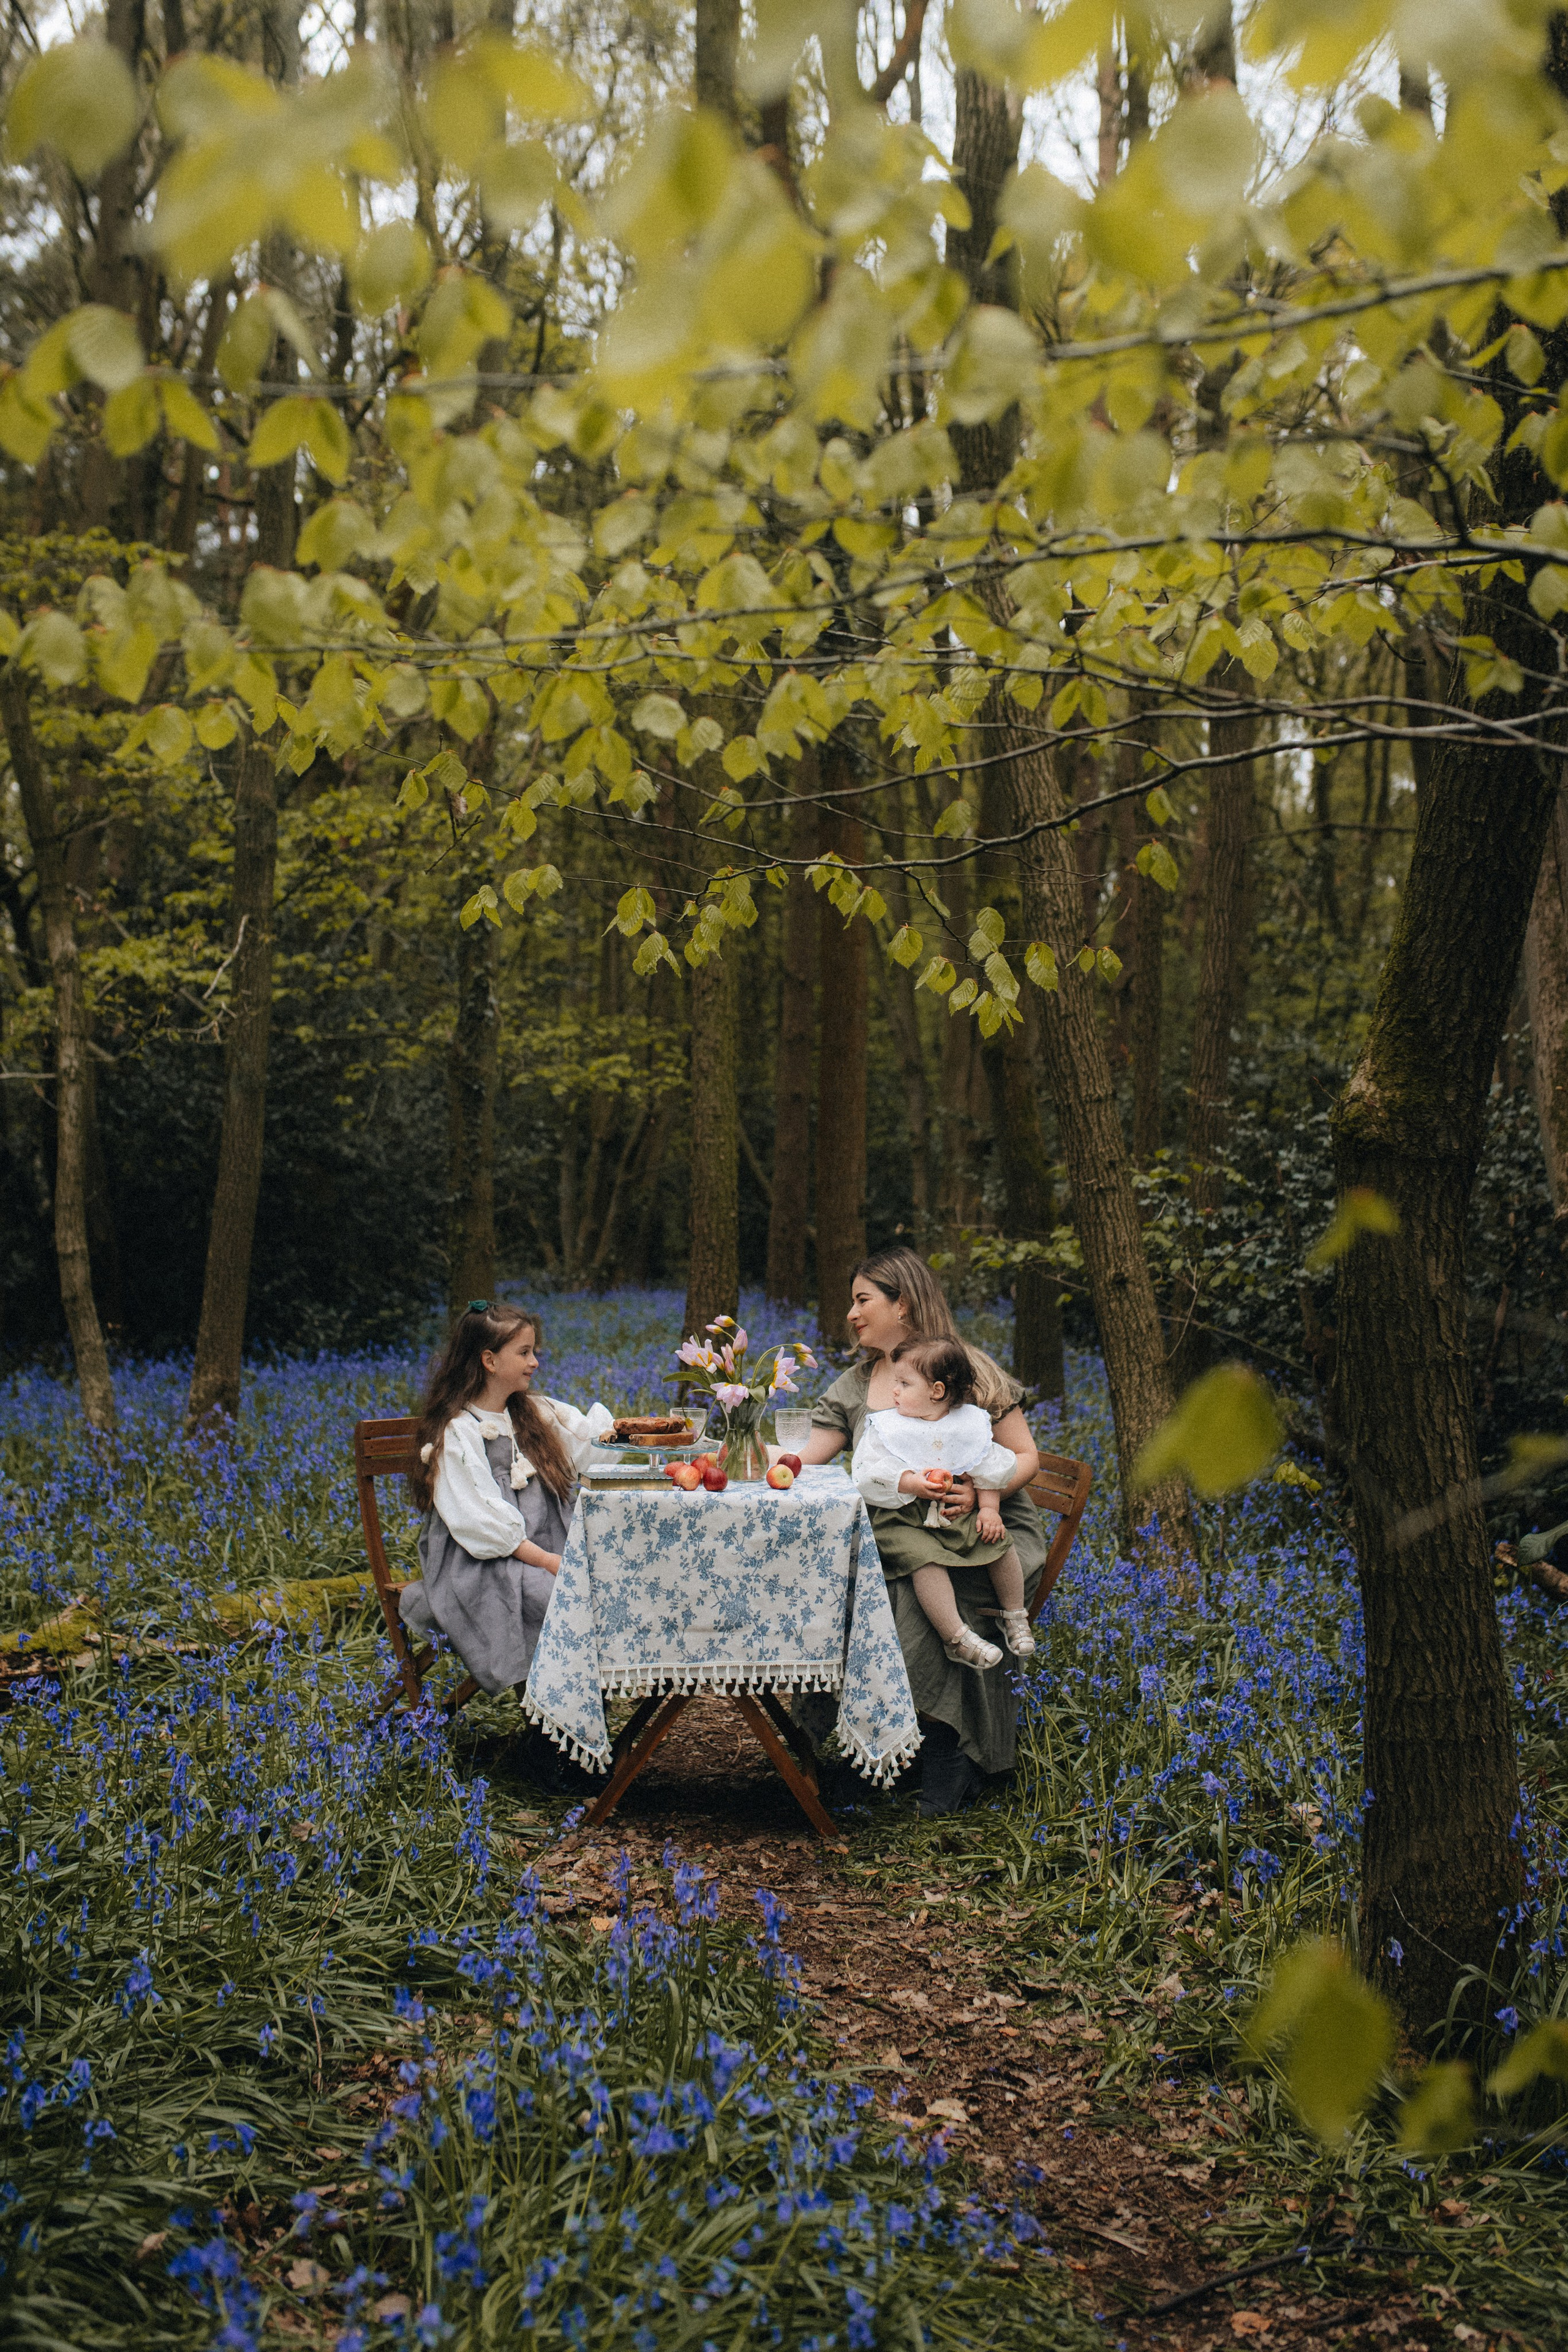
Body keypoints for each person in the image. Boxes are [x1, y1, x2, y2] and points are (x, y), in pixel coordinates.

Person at [796, 1246, 1047, 1815]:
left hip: (984, 1530)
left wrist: (983, 1494)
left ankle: (946, 1757)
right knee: (844, 1588)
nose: (852, 1313)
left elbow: (1025, 1454)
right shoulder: (858, 1382)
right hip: (904, 1532)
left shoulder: (963, 1368)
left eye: (863, 1300)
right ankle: (879, 1751)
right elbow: (807, 1456)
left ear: (902, 1304)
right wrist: (741, 1436)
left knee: (902, 1602)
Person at [401, 1300, 614, 1700]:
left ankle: (578, 1714)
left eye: (534, 1351)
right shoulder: (459, 1433)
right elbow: (479, 1520)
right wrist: (551, 1561)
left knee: (605, 1581)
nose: (535, 1362)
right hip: (480, 1560)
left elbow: (591, 1450)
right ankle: (548, 1725)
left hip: (546, 1546)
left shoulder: (535, 1413)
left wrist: (656, 1446)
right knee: (553, 1595)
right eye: (524, 1352)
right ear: (489, 1360)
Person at [851, 1334, 1036, 1671]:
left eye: (905, 1384)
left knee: (998, 1542)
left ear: (937, 1391)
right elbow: (868, 1472)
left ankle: (1015, 1615)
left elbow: (988, 1468)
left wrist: (990, 1509)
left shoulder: (967, 1425)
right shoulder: (888, 1426)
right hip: (901, 1518)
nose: (894, 1391)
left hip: (952, 1514)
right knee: (926, 1561)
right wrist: (910, 1482)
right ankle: (957, 1638)